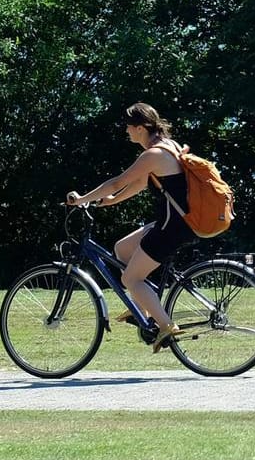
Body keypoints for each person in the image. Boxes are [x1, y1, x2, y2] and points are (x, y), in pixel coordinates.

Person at [65, 102, 194, 349]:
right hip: (175, 221)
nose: (126, 131)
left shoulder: (153, 154)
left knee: (131, 279)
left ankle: (166, 326)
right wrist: (112, 201)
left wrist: (82, 199)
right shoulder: (168, 147)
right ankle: (142, 311)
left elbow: (118, 182)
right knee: (122, 249)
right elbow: (139, 184)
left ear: (140, 128)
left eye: (128, 126)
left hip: (171, 227)